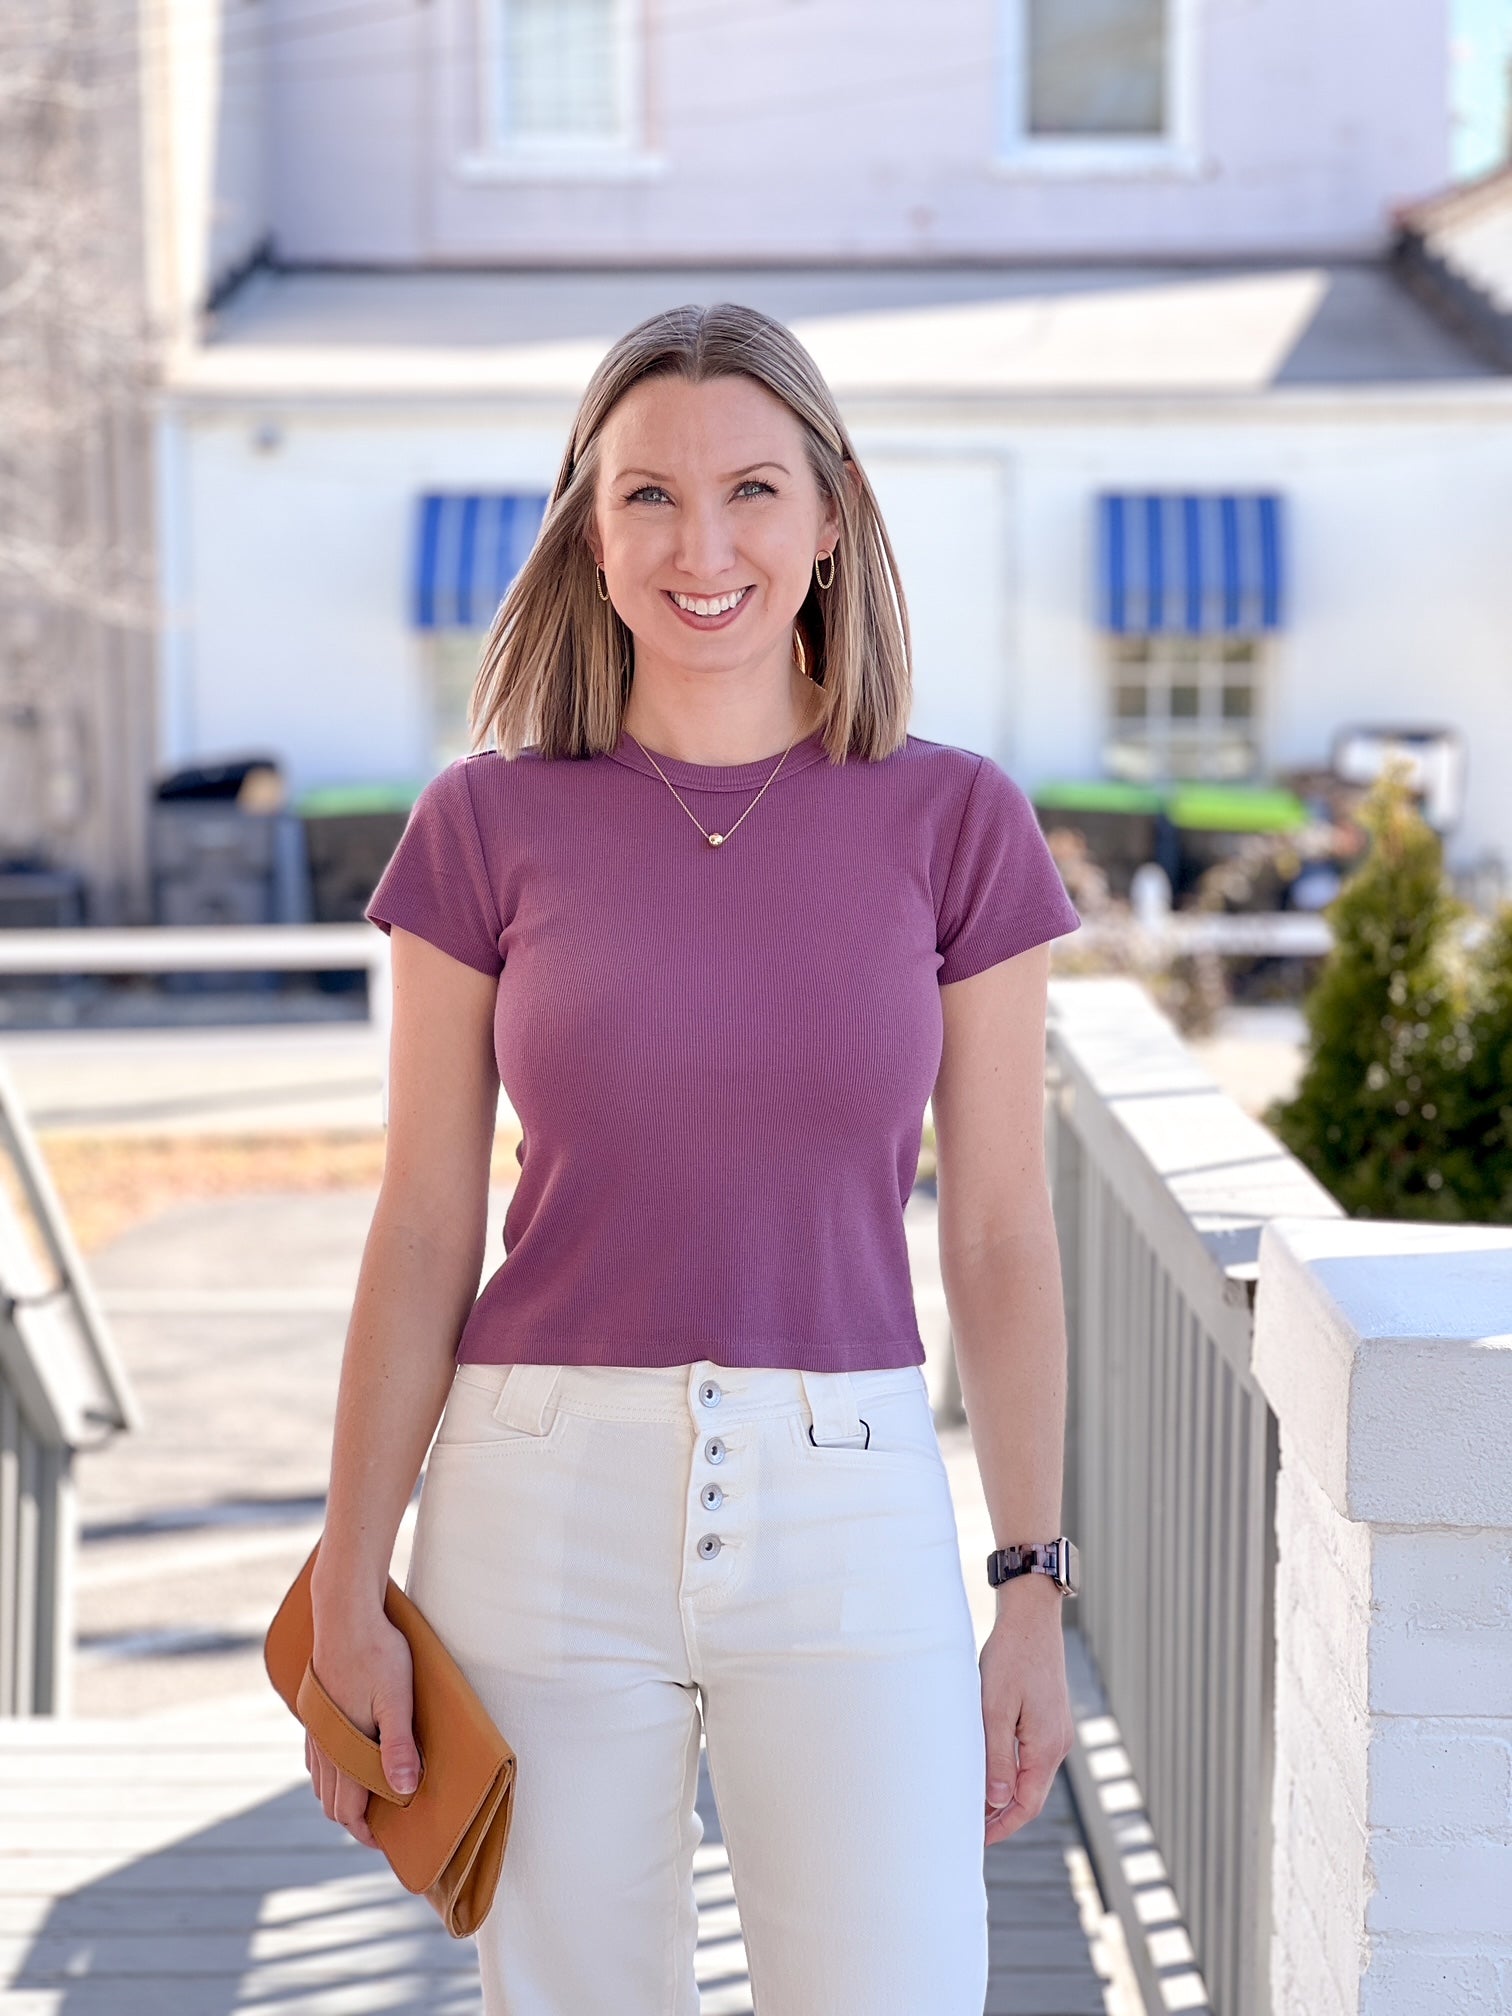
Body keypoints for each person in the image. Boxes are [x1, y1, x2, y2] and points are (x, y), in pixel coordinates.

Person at [304, 300, 1083, 2016]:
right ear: (591, 530)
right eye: (648, 494)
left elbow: (1001, 1236)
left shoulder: (958, 822)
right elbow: (425, 1225)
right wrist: (348, 1578)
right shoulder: (483, 825)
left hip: (851, 1498)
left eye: (752, 490)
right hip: (534, 1508)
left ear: (831, 518)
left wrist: (1033, 1590)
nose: (701, 547)